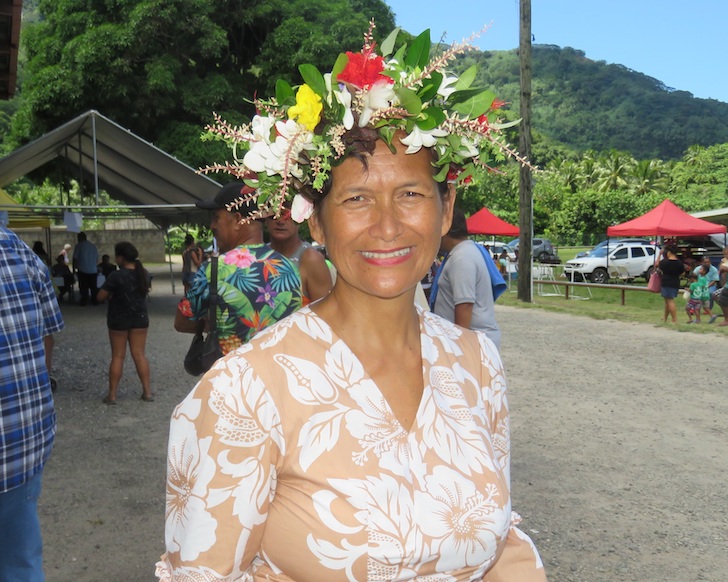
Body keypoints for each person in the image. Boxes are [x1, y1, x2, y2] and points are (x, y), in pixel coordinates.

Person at [158, 26, 547, 581]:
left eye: (410, 194)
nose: (387, 226)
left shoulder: (476, 364)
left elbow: (500, 542)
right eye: (356, 198)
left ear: (445, 209)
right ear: (316, 222)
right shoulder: (245, 391)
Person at [0, 225, 64, 581]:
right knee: (20, 559)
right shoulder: (20, 252)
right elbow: (46, 337)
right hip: (21, 442)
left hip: (21, 443)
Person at [173, 182, 304, 355]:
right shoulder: (289, 268)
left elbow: (182, 322)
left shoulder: (214, 269)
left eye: (216, 218)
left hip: (231, 370)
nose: (212, 226)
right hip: (278, 368)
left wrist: (216, 324)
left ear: (237, 220)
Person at [431, 207, 502, 347]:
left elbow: (465, 304)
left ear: (444, 228)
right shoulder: (464, 252)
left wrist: (460, 346)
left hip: (472, 342)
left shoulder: (462, 258)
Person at [96, 242, 153, 404]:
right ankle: (147, 392)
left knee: (118, 356)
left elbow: (100, 297)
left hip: (118, 319)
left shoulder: (116, 276)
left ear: (120, 257)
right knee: (139, 355)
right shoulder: (143, 273)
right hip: (140, 318)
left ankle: (112, 395)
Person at [265, 206, 333, 303]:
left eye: (288, 216)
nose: (280, 221)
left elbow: (325, 307)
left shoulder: (311, 259)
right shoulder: (257, 256)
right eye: (274, 215)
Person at [657, 244, 685, 323]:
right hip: (675, 282)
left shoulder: (664, 262)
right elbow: (682, 273)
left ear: (669, 252)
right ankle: (665, 318)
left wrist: (659, 255)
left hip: (666, 282)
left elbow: (657, 265)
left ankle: (674, 319)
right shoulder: (679, 263)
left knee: (669, 300)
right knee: (667, 301)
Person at [72, 231, 99, 306]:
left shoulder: (79, 246)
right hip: (93, 269)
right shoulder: (92, 246)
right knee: (93, 287)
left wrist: (74, 269)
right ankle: (94, 300)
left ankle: (84, 300)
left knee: (83, 287)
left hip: (82, 269)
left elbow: (75, 258)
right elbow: (96, 258)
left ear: (79, 238)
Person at [693, 255, 719, 320]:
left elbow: (715, 280)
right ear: (702, 262)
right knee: (703, 305)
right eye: (705, 262)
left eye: (708, 262)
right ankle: (711, 315)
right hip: (701, 288)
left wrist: (706, 286)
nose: (706, 263)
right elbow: (694, 276)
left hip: (709, 286)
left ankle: (698, 317)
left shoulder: (714, 270)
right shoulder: (698, 269)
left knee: (710, 293)